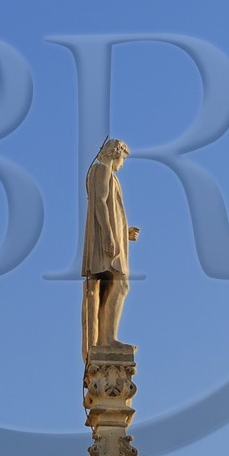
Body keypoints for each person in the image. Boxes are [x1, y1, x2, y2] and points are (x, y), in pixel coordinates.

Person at [81, 138, 139, 359]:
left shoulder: (106, 174)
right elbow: (100, 203)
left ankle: (107, 339)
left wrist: (123, 232)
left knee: (110, 289)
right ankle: (108, 339)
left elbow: (110, 209)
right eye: (123, 159)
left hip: (111, 238)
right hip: (105, 242)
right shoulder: (102, 170)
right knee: (120, 285)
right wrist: (108, 235)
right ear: (115, 154)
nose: (122, 164)